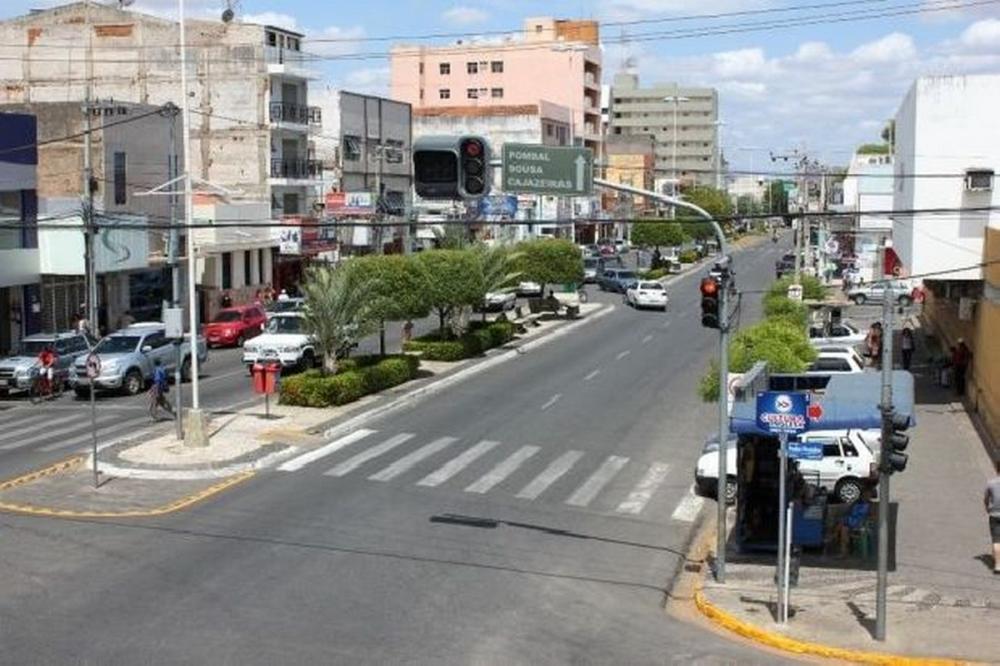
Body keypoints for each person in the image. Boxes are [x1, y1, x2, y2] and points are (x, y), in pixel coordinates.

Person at [835, 488, 873, 558]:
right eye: (865, 495)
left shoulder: (870, 505)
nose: (866, 496)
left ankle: (835, 539)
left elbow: (871, 517)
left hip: (861, 523)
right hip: (852, 521)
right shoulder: (857, 503)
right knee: (844, 529)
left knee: (842, 526)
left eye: (868, 495)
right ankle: (844, 550)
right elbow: (848, 512)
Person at [985, 476, 1000, 574]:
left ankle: (998, 566)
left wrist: (987, 508)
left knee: (996, 540)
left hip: (994, 514)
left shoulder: (991, 482)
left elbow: (986, 498)